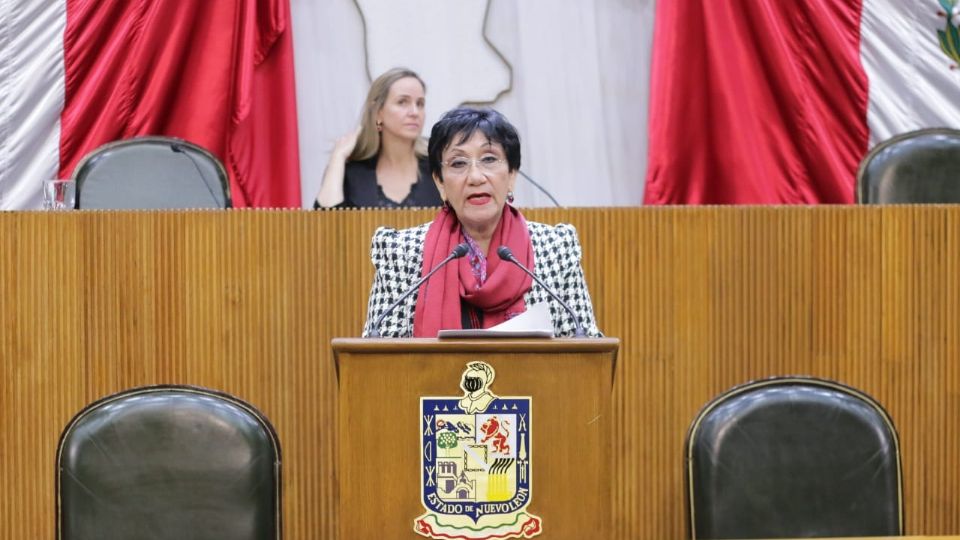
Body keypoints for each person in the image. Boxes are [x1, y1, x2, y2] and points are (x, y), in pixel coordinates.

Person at [362, 107, 601, 338]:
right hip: (430, 381)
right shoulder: (401, 254)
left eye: (489, 159)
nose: (475, 177)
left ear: (511, 176)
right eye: (458, 163)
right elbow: (377, 363)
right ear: (440, 183)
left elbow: (586, 355)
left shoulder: (556, 248)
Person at [314, 68, 443, 209]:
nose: (414, 112)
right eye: (402, 102)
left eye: (420, 104)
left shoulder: (438, 169)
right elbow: (325, 223)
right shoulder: (352, 173)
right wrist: (337, 157)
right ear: (378, 112)